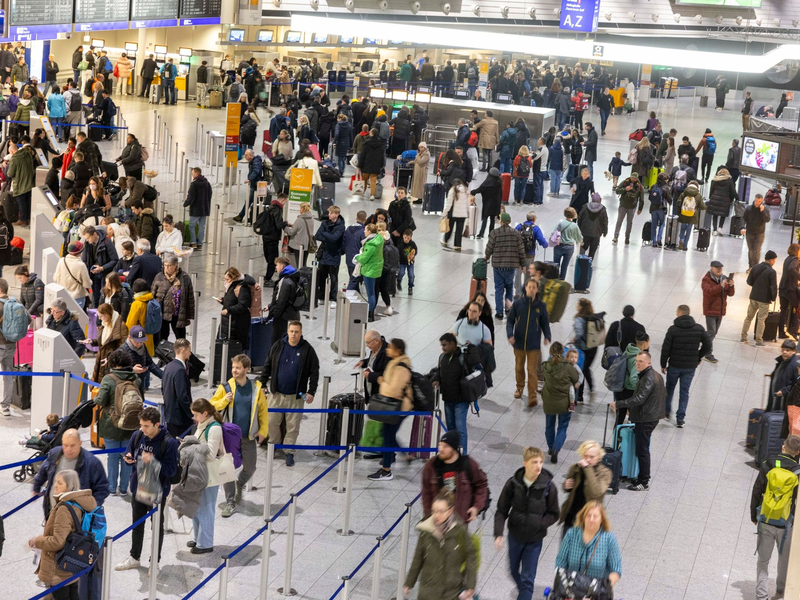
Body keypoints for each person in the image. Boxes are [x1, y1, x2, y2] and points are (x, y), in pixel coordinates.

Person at [115, 407, 179, 572]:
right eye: (141, 425)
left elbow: (171, 470)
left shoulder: (169, 443)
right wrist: (129, 458)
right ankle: (134, 557)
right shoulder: (137, 435)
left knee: (156, 527)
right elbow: (130, 451)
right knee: (137, 524)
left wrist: (152, 462)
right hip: (138, 488)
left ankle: (154, 562)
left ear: (157, 424)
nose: (142, 429)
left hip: (157, 492)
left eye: (146, 426)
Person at [494, 446, 559, 600]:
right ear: (525, 463)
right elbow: (501, 510)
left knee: (528, 579)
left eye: (540, 462)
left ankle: (525, 594)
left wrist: (540, 523)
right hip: (515, 536)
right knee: (513, 571)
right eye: (534, 462)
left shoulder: (549, 487)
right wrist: (498, 533)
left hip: (534, 540)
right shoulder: (513, 484)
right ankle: (524, 591)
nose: (538, 466)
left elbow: (555, 513)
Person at [29, 470, 98, 599]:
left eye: (59, 483)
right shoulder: (78, 503)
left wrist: (37, 541)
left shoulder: (64, 509)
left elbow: (58, 541)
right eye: (55, 481)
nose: (55, 485)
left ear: (69, 485)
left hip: (58, 569)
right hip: (72, 564)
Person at [260, 320, 319, 467]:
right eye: (291, 331)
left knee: (293, 426)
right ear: (288, 331)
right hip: (276, 394)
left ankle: (289, 451)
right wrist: (262, 384)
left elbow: (314, 371)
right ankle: (274, 446)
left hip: (296, 396)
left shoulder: (307, 350)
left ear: (301, 332)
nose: (293, 334)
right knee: (272, 422)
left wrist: (311, 391)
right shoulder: (278, 346)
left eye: (296, 332)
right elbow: (267, 364)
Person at [750, 434, 800, 600]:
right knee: (784, 560)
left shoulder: (769, 464)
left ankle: (761, 596)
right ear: (797, 452)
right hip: (787, 524)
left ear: (783, 447)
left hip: (766, 519)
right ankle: (781, 590)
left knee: (763, 561)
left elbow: (757, 491)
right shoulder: (797, 471)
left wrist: (754, 515)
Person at [403, 489, 477, 600]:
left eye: (441, 511)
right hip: (428, 590)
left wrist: (470, 585)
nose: (436, 515)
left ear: (450, 510)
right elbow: (418, 557)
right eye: (434, 511)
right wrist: (409, 582)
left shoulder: (460, 530)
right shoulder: (426, 529)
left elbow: (471, 555)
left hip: (451, 591)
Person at [610, 352, 665, 491]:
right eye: (636, 361)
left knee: (643, 450)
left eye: (641, 361)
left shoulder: (648, 378)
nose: (637, 363)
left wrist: (620, 404)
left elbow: (640, 398)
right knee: (642, 448)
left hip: (646, 419)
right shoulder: (655, 375)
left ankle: (644, 481)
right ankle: (640, 477)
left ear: (649, 363)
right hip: (650, 416)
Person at [32, 428, 108, 518]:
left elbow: (102, 489)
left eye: (72, 445)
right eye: (65, 445)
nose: (68, 449)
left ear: (80, 443)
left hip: (77, 517)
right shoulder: (54, 454)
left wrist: (91, 507)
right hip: (52, 511)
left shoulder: (92, 463)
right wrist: (36, 487)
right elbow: (42, 472)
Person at [366, 338, 413, 481]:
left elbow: (393, 390)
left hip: (399, 408)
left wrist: (380, 381)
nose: (387, 349)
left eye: (390, 347)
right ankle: (405, 454)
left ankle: (386, 470)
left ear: (398, 351)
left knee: (387, 435)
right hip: (396, 407)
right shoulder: (395, 362)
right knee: (386, 433)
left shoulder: (401, 367)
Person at [420, 430, 489, 522]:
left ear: (454, 449)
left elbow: (481, 485)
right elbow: (426, 493)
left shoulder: (468, 465)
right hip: (436, 520)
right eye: (440, 445)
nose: (441, 449)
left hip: (459, 522)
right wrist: (428, 516)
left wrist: (476, 507)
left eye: (445, 446)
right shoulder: (432, 465)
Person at [93, 349, 137, 496]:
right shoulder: (136, 379)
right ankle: (124, 488)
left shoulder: (108, 379)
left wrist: (95, 398)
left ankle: (111, 487)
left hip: (111, 423)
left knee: (112, 456)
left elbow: (100, 400)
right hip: (131, 424)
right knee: (128, 456)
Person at [661, 305, 712, 427]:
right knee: (684, 392)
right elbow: (708, 345)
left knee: (669, 389)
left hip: (674, 365)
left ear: (679, 313)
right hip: (690, 367)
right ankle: (680, 418)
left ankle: (666, 411)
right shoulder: (699, 329)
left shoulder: (673, 329)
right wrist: (698, 357)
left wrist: (663, 364)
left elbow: (665, 348)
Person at [556, 501, 622, 591]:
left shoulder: (609, 539)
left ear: (602, 519)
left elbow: (616, 570)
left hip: (597, 592)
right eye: (588, 515)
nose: (591, 519)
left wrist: (602, 588)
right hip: (571, 590)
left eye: (595, 516)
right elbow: (560, 562)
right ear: (583, 517)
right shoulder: (571, 534)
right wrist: (564, 585)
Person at [508, 278, 551, 406]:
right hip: (519, 342)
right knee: (519, 366)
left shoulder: (541, 306)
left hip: (533, 344)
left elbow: (545, 323)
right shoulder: (518, 304)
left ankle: (532, 395)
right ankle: (519, 387)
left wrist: (547, 336)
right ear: (525, 288)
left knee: (532, 370)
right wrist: (510, 334)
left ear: (537, 289)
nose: (531, 289)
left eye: (534, 287)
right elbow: (510, 321)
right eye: (529, 287)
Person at [560, 441, 612, 535]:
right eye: (585, 456)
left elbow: (596, 493)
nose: (588, 459)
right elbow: (570, 488)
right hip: (571, 516)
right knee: (566, 547)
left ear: (599, 457)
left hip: (590, 519)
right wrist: (566, 486)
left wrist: (587, 468)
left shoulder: (605, 473)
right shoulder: (575, 468)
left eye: (592, 457)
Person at [431, 333, 472, 452]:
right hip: (448, 399)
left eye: (445, 345)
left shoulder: (463, 358)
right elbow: (438, 371)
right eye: (442, 345)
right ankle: (453, 453)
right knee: (451, 429)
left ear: (453, 344)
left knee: (460, 429)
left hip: (461, 400)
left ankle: (463, 455)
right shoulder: (442, 357)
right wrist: (436, 379)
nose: (443, 348)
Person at [542, 342, 579, 463]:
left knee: (549, 425)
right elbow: (576, 378)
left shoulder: (545, 366)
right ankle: (556, 449)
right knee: (562, 426)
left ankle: (550, 447)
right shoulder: (568, 367)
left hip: (549, 401)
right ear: (563, 352)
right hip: (564, 403)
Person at [485, 213, 525, 319]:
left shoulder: (494, 233)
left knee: (499, 289)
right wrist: (523, 264)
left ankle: (499, 312)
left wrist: (486, 257)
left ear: (501, 221)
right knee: (509, 287)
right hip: (511, 266)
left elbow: (489, 248)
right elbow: (521, 250)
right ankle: (508, 308)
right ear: (510, 222)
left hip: (498, 266)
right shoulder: (516, 233)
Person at [152, 255, 194, 343]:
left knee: (180, 338)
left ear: (176, 265)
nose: (167, 268)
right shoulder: (159, 276)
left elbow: (190, 297)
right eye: (165, 265)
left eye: (169, 265)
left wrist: (190, 314)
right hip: (163, 313)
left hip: (178, 313)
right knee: (163, 338)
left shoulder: (184, 277)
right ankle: (163, 355)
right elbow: (153, 293)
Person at [742, 251, 778, 347]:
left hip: (753, 296)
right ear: (771, 260)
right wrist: (773, 298)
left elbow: (749, 281)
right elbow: (773, 287)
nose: (774, 262)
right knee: (761, 319)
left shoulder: (756, 267)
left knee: (749, 317)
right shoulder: (772, 272)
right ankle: (759, 340)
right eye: (774, 260)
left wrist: (756, 286)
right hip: (764, 299)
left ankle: (743, 336)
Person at [701, 261, 735, 363]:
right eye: (717, 268)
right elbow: (708, 292)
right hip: (710, 309)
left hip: (720, 310)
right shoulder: (706, 279)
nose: (719, 269)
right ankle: (707, 353)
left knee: (713, 332)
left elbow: (731, 294)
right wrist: (720, 286)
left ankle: (702, 343)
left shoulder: (724, 278)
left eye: (721, 268)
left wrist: (731, 286)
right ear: (711, 268)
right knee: (711, 332)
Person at [313, 205, 345, 307]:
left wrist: (324, 234)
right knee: (322, 276)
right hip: (323, 254)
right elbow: (317, 236)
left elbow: (334, 238)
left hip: (334, 254)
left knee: (333, 278)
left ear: (337, 214)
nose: (329, 215)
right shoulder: (324, 223)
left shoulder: (341, 226)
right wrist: (327, 236)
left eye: (331, 213)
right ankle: (321, 297)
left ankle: (333, 298)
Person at [161, 338, 194, 437]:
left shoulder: (169, 366)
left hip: (169, 416)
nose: (190, 354)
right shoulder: (180, 370)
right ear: (183, 350)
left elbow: (163, 389)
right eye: (189, 350)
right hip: (180, 419)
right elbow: (182, 396)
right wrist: (191, 414)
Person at [218, 267, 256, 351]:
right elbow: (232, 301)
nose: (225, 281)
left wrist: (229, 310)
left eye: (227, 279)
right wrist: (223, 301)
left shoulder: (242, 288)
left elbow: (243, 305)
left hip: (237, 323)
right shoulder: (231, 286)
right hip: (228, 322)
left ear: (234, 278)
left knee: (234, 348)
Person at [183, 167, 212, 250]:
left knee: (192, 226)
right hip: (205, 208)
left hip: (196, 209)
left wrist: (186, 203)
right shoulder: (207, 183)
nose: (192, 174)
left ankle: (193, 242)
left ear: (196, 173)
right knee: (202, 226)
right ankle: (200, 244)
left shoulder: (194, 184)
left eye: (193, 173)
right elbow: (210, 194)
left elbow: (191, 196)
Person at [356, 330, 389, 401]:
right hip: (371, 391)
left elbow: (387, 375)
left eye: (368, 343)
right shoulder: (375, 348)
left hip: (380, 395)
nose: (367, 346)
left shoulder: (387, 353)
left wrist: (370, 376)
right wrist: (364, 362)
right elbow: (373, 360)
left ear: (376, 341)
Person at [742, 194, 772, 271]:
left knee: (757, 250)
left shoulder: (765, 209)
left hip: (760, 233)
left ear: (762, 201)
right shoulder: (749, 209)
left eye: (759, 201)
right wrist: (742, 227)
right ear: (754, 200)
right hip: (750, 232)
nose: (757, 203)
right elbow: (743, 218)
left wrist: (762, 212)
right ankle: (751, 266)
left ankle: (755, 267)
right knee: (751, 250)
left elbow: (767, 220)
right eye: (756, 201)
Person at [470, 167, 502, 239]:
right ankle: (491, 234)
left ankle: (481, 233)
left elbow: (480, 189)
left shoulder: (488, 182)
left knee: (485, 218)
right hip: (495, 204)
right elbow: (500, 195)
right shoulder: (499, 182)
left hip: (488, 203)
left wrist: (472, 192)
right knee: (492, 219)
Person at [612, 173, 643, 245]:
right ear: (630, 177)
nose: (633, 179)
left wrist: (640, 208)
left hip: (632, 207)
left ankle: (627, 238)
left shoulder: (639, 186)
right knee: (619, 221)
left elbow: (641, 198)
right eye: (632, 178)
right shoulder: (625, 182)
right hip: (623, 205)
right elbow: (617, 190)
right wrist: (625, 189)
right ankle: (615, 236)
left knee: (629, 223)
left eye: (635, 178)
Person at [552, 207, 583, 280]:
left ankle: (555, 279)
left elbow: (554, 233)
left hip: (558, 246)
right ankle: (562, 281)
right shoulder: (574, 226)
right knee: (564, 266)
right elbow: (579, 238)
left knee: (556, 264)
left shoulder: (560, 223)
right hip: (569, 247)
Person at [675, 180, 706, 251]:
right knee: (688, 230)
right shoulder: (698, 195)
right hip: (693, 215)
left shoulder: (683, 193)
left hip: (683, 214)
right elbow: (702, 206)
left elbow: (678, 203)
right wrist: (706, 207)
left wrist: (678, 213)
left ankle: (681, 240)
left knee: (682, 228)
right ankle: (685, 246)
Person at [356, 128, 386, 200]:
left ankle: (362, 193)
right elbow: (382, 155)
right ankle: (372, 195)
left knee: (365, 179)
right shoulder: (381, 144)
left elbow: (363, 155)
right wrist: (382, 165)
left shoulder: (366, 143)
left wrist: (359, 165)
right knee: (373, 180)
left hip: (366, 164)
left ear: (371, 133)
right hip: (376, 164)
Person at [577, 193, 607, 260]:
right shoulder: (602, 209)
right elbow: (605, 221)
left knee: (583, 248)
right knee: (592, 250)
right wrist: (605, 231)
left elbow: (580, 218)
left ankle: (581, 263)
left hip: (584, 232)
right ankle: (589, 264)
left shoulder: (585, 207)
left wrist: (579, 229)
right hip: (596, 233)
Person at [396, 229, 417, 294]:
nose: (406, 239)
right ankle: (398, 281)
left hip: (410, 263)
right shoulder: (400, 245)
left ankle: (410, 287)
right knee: (401, 273)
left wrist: (413, 255)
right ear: (403, 236)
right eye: (405, 237)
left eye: (408, 238)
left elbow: (415, 250)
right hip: (402, 263)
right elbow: (397, 253)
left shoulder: (412, 244)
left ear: (410, 238)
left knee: (411, 275)